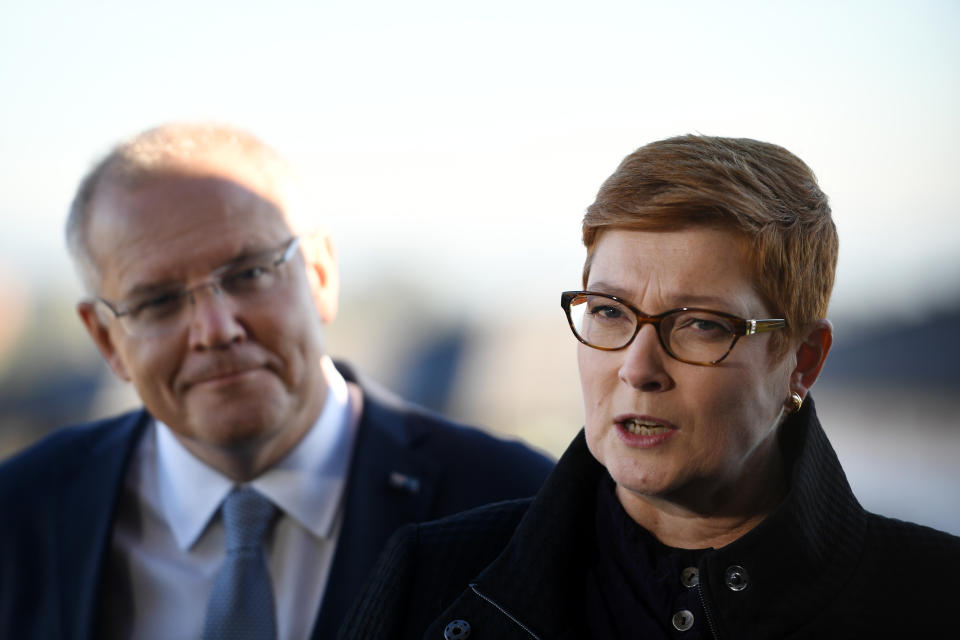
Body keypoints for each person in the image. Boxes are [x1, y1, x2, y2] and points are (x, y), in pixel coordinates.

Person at [339, 135, 960, 639]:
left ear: (802, 361)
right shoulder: (433, 577)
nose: (638, 368)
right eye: (609, 311)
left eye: (699, 325)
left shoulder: (935, 595)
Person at [0, 122, 554, 640]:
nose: (215, 330)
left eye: (250, 273)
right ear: (105, 340)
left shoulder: (525, 509)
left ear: (320, 276)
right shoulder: (20, 517)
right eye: (159, 301)